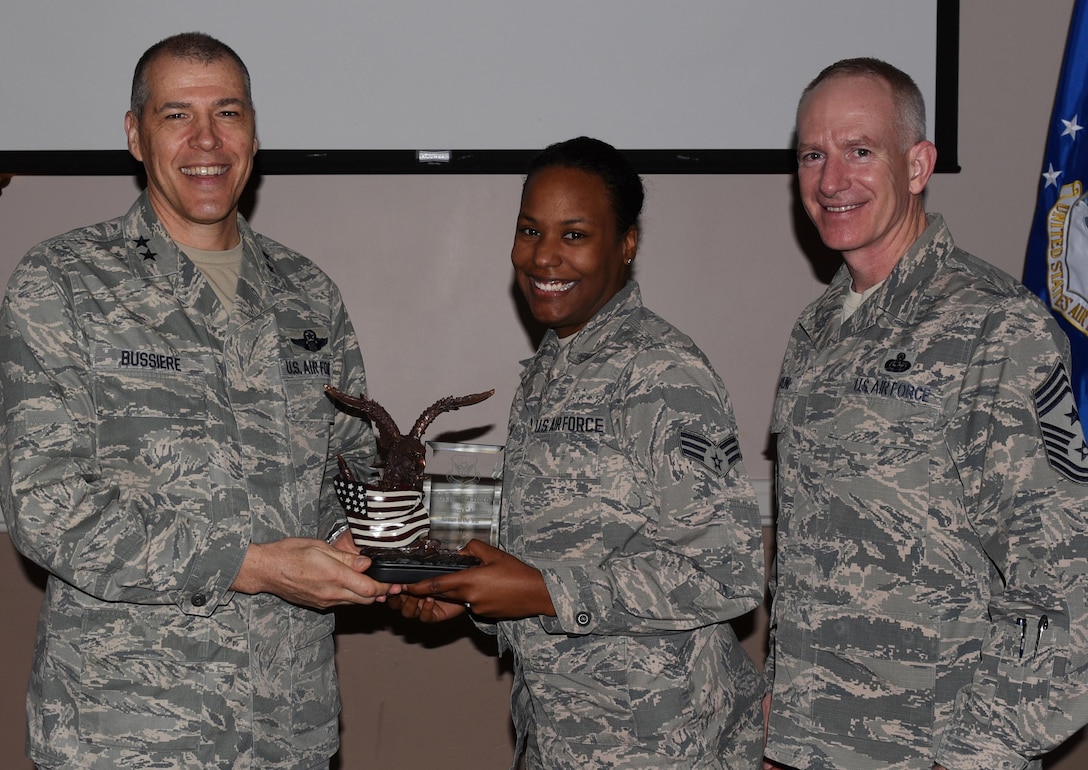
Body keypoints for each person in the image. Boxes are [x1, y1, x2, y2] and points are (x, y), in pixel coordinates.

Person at [0, 32, 393, 769]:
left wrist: (377, 551)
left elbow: (352, 476)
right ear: (134, 135)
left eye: (228, 113)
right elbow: (41, 504)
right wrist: (248, 565)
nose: (207, 141)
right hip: (128, 731)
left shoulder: (308, 296)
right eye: (177, 115)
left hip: (289, 726)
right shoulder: (62, 284)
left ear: (253, 131)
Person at [393, 136, 766, 769]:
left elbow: (727, 573)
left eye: (574, 235)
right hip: (560, 740)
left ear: (626, 244)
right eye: (529, 229)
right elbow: (562, 555)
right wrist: (472, 597)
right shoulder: (549, 369)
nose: (543, 256)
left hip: (663, 746)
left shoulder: (662, 372)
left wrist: (541, 591)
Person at [764, 57, 1088, 770]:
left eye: (859, 151)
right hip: (812, 745)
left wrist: (978, 752)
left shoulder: (995, 325)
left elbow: (1067, 574)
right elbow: (807, 554)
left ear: (917, 165)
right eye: (812, 155)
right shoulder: (816, 331)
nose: (829, 180)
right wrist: (778, 719)